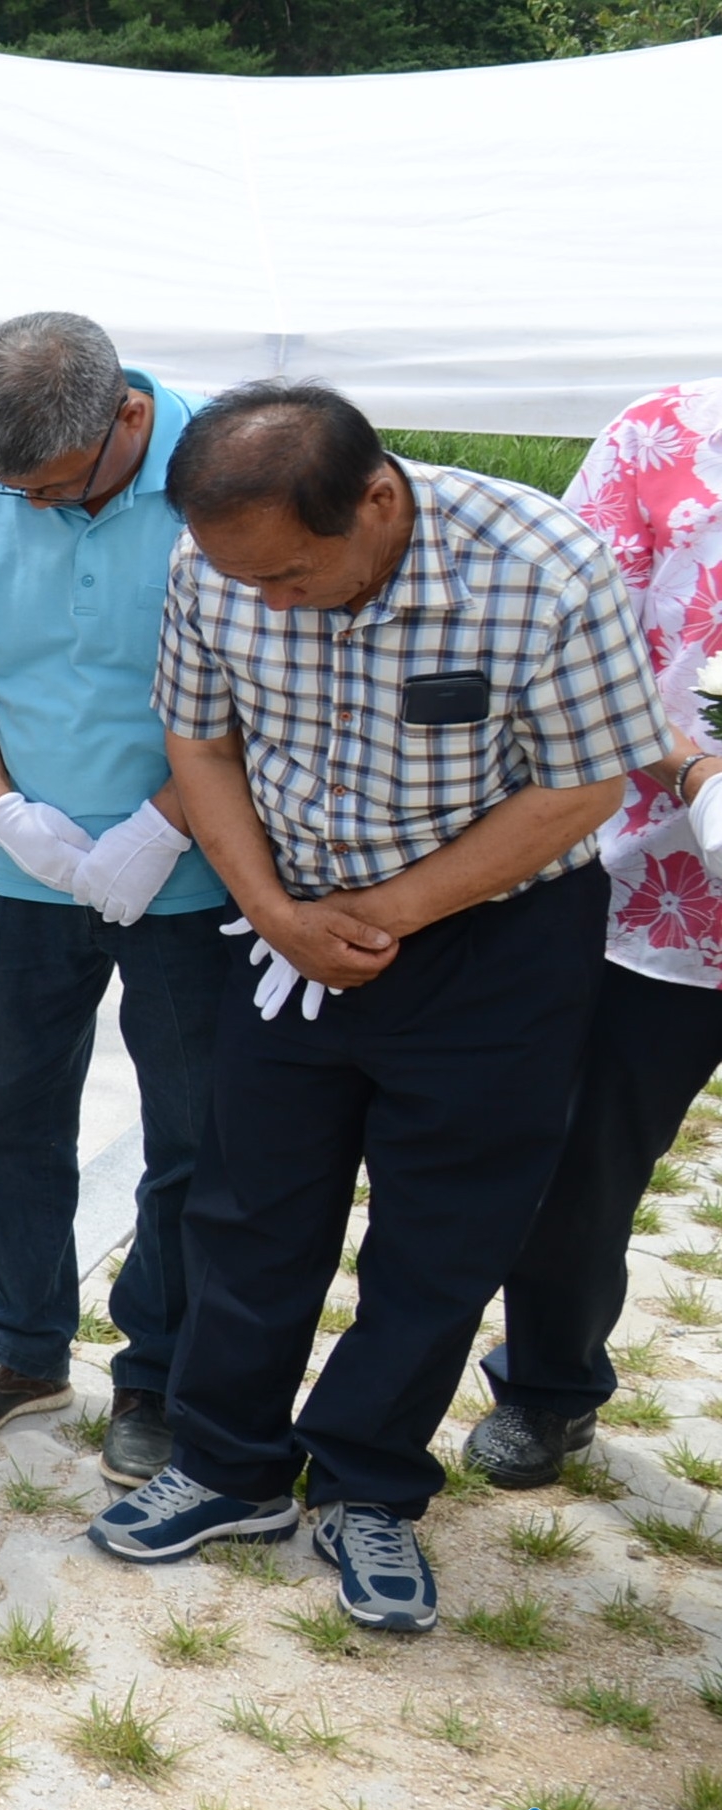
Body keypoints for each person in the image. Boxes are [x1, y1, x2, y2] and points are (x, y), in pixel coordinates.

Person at [88, 383, 667, 1638]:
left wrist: (392, 910)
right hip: (289, 918)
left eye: (297, 574)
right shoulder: (216, 562)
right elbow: (201, 747)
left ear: (377, 499)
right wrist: (279, 911)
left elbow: (583, 785)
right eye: (253, 582)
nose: (274, 601)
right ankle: (231, 1463)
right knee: (247, 1202)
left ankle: (368, 1483)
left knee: (440, 1232)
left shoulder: (541, 566)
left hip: (493, 941)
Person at [0, 312, 235, 1488]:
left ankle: (157, 1367)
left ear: (127, 420)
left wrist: (163, 824)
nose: (29, 506)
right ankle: (20, 1341)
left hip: (192, 869)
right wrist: (0, 811)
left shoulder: (223, 472)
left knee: (194, 1130)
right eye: (12, 491)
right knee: (3, 1109)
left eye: (49, 487)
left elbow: (277, 670)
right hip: (22, 863)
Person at [471, 378, 722, 1487]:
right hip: (659, 882)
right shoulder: (662, 434)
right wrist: (692, 768)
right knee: (585, 1153)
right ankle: (547, 1382)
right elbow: (577, 626)